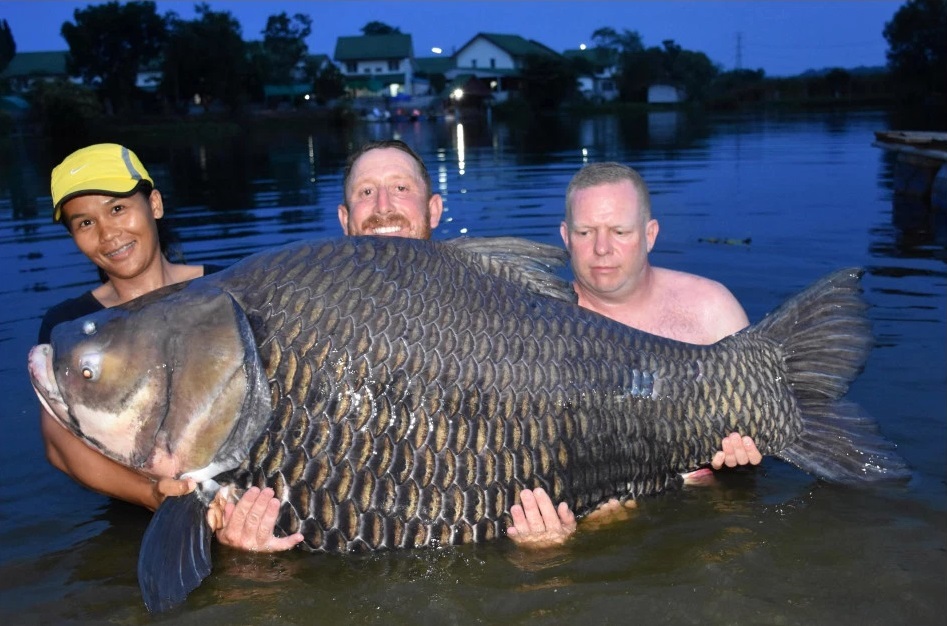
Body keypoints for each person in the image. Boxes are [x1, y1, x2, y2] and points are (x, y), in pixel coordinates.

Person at [38, 143, 302, 553]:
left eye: (118, 209)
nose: (109, 234)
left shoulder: (227, 289)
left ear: (155, 204)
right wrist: (153, 495)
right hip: (137, 520)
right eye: (85, 223)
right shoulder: (72, 329)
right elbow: (60, 446)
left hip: (255, 503)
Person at [506, 161, 763, 545]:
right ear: (565, 236)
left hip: (709, 516)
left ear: (650, 234)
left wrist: (746, 458)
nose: (602, 248)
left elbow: (766, 434)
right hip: (607, 530)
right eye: (585, 231)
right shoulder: (536, 332)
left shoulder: (712, 309)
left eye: (620, 231)